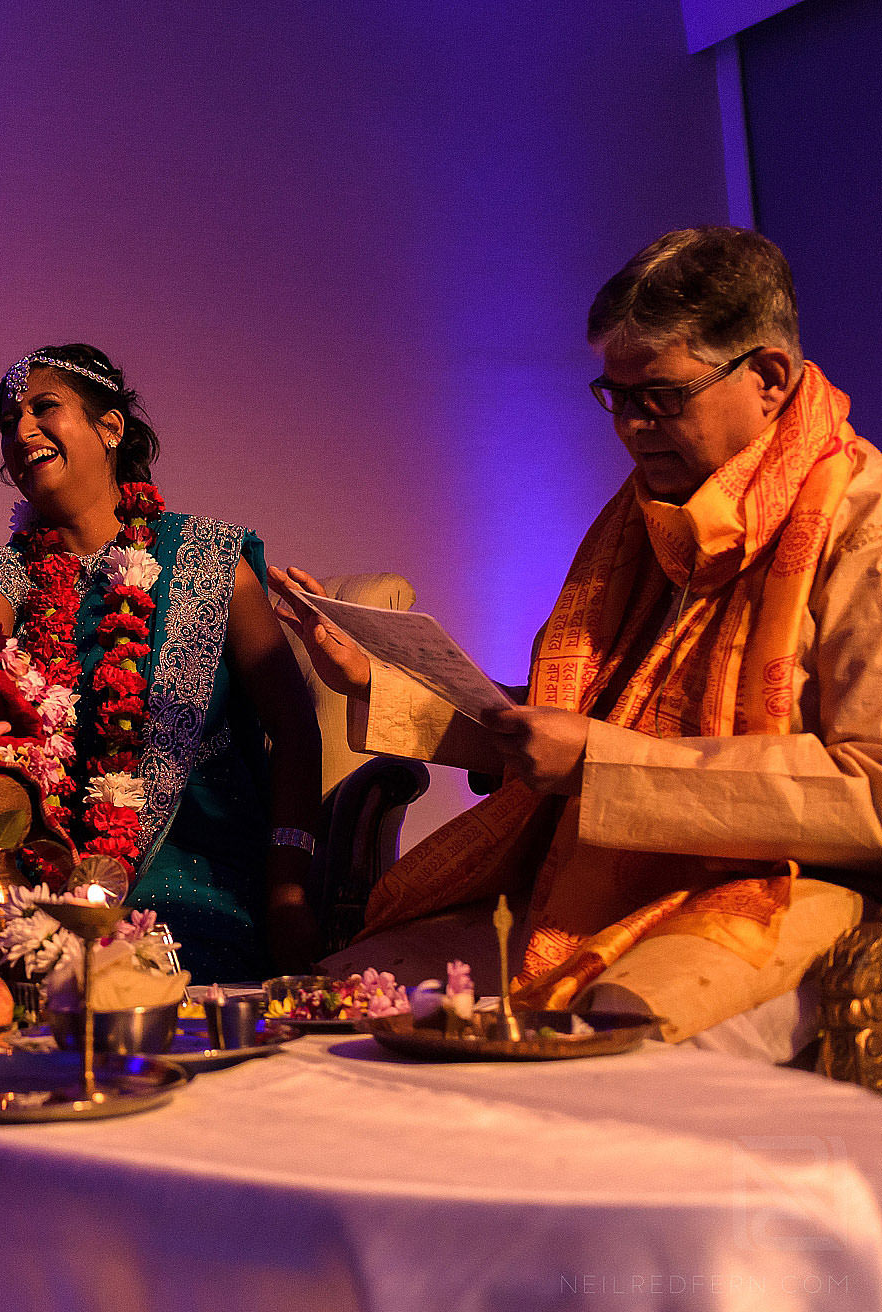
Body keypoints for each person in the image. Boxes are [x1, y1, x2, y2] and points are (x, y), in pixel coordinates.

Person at [275, 226, 879, 1059]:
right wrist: (382, 685)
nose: (631, 425)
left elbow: (872, 790)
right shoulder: (639, 528)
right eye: (615, 394)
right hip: (586, 876)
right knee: (340, 1005)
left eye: (661, 395)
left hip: (772, 890)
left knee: (609, 1045)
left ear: (769, 377)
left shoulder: (862, 523)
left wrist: (602, 763)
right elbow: (563, 734)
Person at [0, 344, 323, 980]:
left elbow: (294, 729)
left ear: (110, 427)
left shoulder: (210, 557)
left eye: (45, 408)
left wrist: (289, 893)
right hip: (49, 893)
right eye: (9, 423)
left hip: (205, 891)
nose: (22, 432)